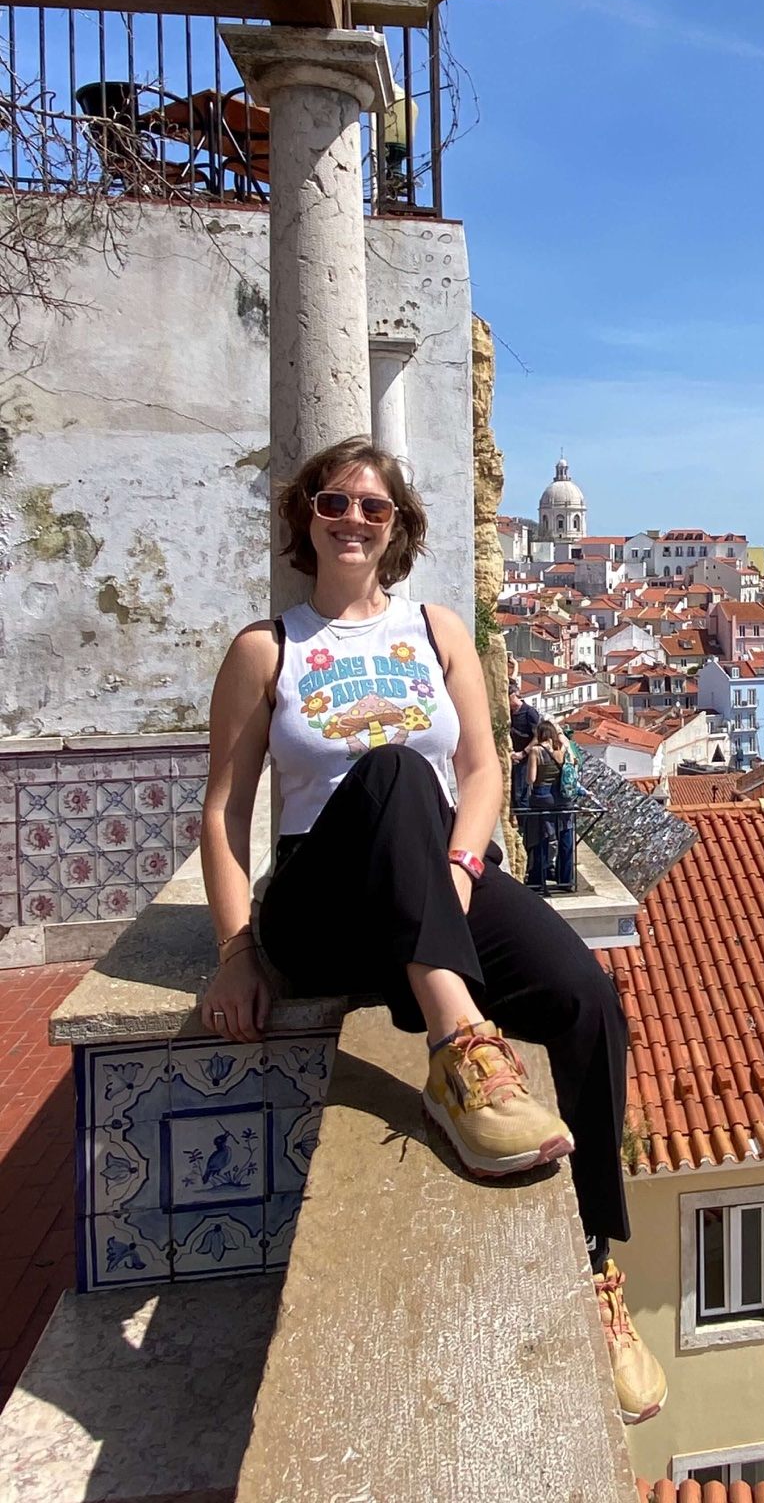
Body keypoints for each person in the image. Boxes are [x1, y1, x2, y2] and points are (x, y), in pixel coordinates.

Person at [198, 436, 665, 1424]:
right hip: (324, 903)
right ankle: (460, 1057)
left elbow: (488, 771)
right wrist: (236, 951)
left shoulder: (438, 629)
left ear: (401, 524)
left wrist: (459, 868)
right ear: (306, 519)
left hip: (441, 880)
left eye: (374, 507)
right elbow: (224, 807)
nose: (354, 520)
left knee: (585, 998)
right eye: (335, 503)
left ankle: (594, 1268)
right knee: (396, 772)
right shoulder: (267, 647)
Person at [524, 718, 577, 892]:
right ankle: (566, 880)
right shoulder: (562, 748)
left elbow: (530, 779)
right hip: (564, 798)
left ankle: (538, 881)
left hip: (542, 798)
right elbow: (574, 763)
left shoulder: (536, 751)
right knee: (566, 838)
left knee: (541, 839)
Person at [508, 677, 541, 816]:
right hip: (512, 757)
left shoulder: (529, 712)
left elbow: (538, 736)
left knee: (521, 793)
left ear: (513, 696)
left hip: (525, 759)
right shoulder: (509, 714)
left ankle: (525, 828)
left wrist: (523, 753)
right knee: (513, 792)